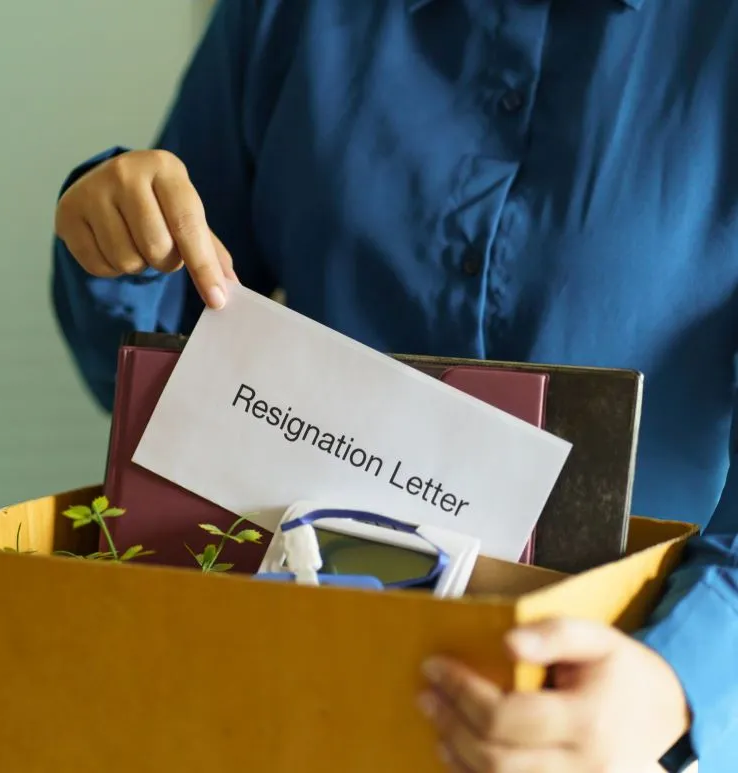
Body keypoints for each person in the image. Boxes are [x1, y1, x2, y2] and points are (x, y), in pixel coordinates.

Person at [51, 2, 738, 770]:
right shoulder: (287, 16)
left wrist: (678, 681)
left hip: (615, 713)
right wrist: (121, 236)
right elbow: (153, 382)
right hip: (283, 685)